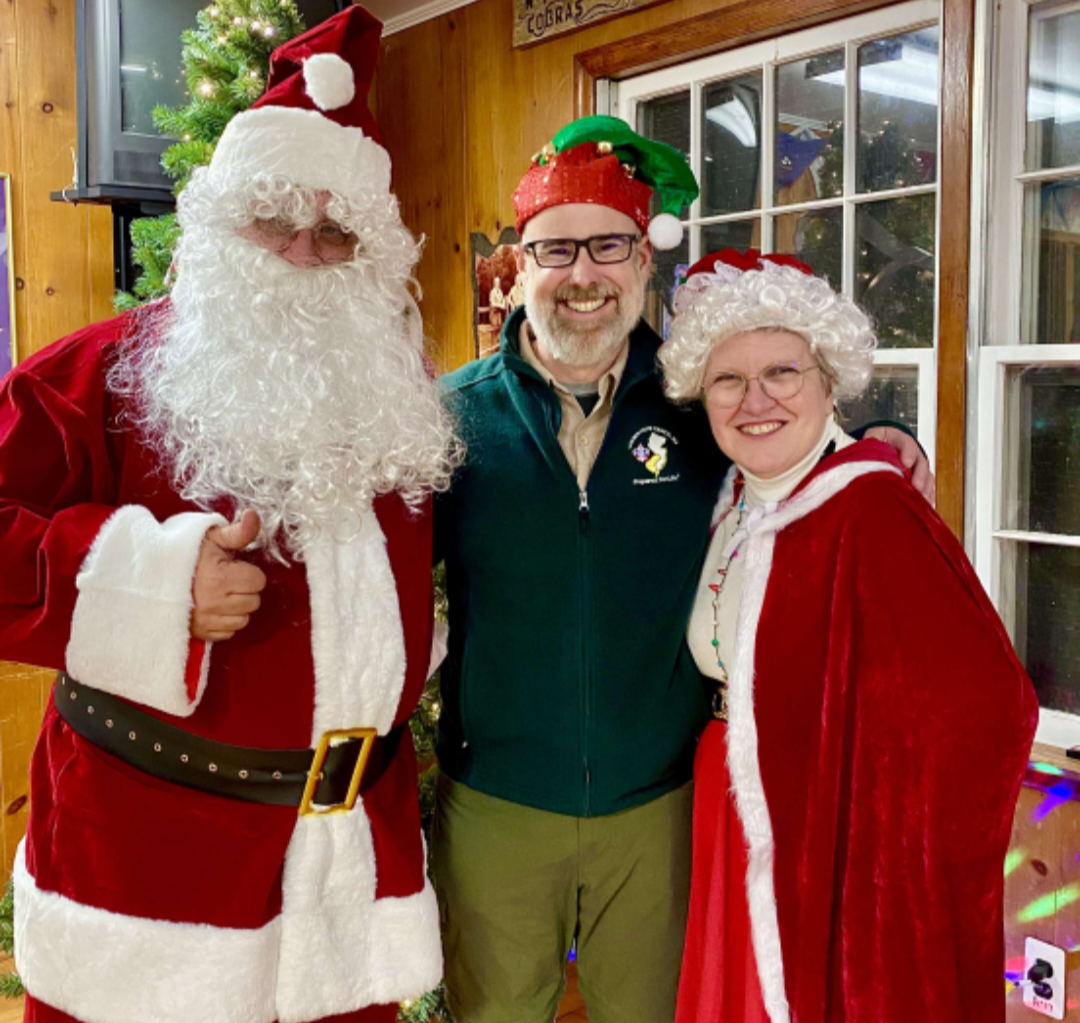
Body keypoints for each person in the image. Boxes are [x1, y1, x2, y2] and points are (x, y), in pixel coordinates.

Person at [0, 9, 459, 1023]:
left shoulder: (397, 395)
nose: (304, 250)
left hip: (346, 868)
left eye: (338, 230)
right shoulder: (93, 377)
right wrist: (148, 581)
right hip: (151, 871)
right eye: (273, 216)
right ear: (217, 221)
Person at [431, 116, 934, 1023]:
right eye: (555, 249)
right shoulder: (447, 421)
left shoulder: (698, 403)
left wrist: (884, 438)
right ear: (519, 264)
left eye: (611, 244)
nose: (583, 275)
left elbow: (790, 440)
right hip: (497, 808)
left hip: (658, 810)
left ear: (644, 260)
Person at [659, 249, 1037, 1023]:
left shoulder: (872, 509)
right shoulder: (731, 495)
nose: (754, 399)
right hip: (727, 812)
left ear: (828, 381)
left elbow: (990, 706)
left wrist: (874, 821)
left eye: (782, 373)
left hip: (827, 836)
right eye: (728, 379)